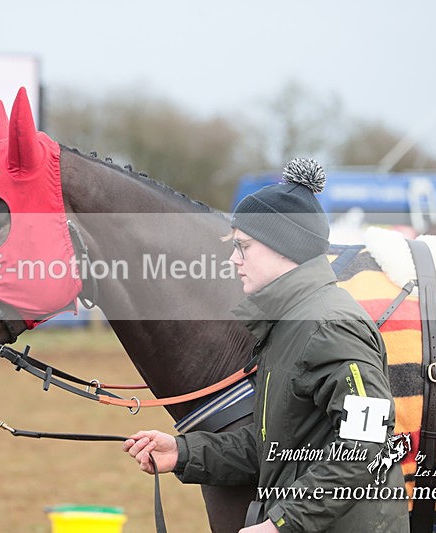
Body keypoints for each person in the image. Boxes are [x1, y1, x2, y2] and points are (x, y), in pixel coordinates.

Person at [123, 159, 409, 532]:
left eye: (243, 247)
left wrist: (280, 523)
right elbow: (274, 444)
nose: (233, 259)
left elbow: (365, 448)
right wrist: (182, 452)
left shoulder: (329, 327)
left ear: (283, 248)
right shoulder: (288, 324)